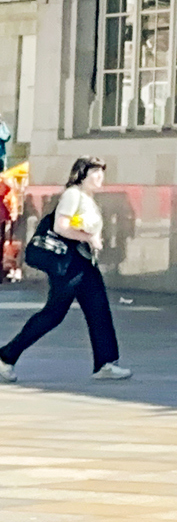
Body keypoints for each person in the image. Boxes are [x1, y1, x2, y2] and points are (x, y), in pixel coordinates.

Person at [0, 159, 130, 381]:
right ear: (81, 175)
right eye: (95, 172)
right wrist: (88, 237)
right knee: (53, 314)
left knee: (99, 310)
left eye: (101, 172)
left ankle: (106, 363)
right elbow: (61, 226)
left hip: (84, 262)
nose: (100, 177)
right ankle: (6, 357)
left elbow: (76, 223)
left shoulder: (86, 198)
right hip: (70, 264)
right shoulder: (73, 195)